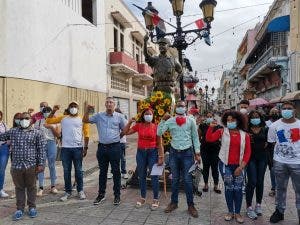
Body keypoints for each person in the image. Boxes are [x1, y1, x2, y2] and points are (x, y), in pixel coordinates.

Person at [206, 110, 251, 223]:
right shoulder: (222, 132)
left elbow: (247, 153)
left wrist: (241, 167)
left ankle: (238, 212)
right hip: (225, 165)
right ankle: (230, 211)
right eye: (228, 120)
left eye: (233, 120)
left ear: (238, 121)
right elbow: (209, 139)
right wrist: (211, 128)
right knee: (229, 187)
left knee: (238, 189)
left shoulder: (245, 135)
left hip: (240, 166)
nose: (230, 122)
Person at [157, 100, 201, 218]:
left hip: (187, 153)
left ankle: (190, 205)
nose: (181, 107)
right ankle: (174, 203)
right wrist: (162, 120)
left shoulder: (191, 120)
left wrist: (197, 153)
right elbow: (159, 132)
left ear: (185, 108)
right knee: (175, 179)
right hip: (174, 153)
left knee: (187, 180)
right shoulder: (170, 121)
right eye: (179, 106)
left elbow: (195, 137)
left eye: (182, 106)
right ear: (175, 108)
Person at [0, 112, 46, 221]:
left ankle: (32, 207)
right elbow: (1, 136)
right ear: (19, 120)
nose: (24, 120)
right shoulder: (13, 131)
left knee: (31, 187)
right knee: (19, 188)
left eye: (26, 118)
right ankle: (19, 209)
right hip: (16, 166)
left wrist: (41, 164)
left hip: (31, 165)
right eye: (21, 118)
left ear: (30, 119)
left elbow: (41, 150)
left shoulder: (37, 133)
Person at [83, 97, 125, 205]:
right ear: (105, 104)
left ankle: (117, 195)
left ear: (114, 105)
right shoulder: (99, 116)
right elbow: (85, 120)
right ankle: (101, 195)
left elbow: (125, 130)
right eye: (107, 102)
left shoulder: (119, 117)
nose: (109, 104)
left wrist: (116, 138)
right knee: (102, 172)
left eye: (111, 102)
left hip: (115, 148)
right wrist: (87, 111)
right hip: (102, 148)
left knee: (116, 172)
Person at [46, 101, 89, 202]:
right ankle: (68, 192)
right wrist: (54, 110)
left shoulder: (82, 119)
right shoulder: (63, 118)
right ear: (68, 108)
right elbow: (48, 121)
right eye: (71, 106)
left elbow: (86, 134)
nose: (73, 108)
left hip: (78, 149)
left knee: (78, 170)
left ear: (78, 108)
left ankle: (80, 190)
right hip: (65, 149)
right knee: (66, 171)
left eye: (75, 106)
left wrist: (85, 147)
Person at [123, 108, 164, 210]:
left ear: (153, 116)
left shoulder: (156, 127)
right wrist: (129, 122)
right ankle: (142, 197)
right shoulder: (139, 125)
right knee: (141, 176)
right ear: (143, 115)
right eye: (146, 114)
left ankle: (155, 199)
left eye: (150, 114)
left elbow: (160, 144)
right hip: (141, 153)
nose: (148, 115)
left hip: (153, 153)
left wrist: (161, 157)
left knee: (154, 176)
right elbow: (125, 132)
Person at [268, 101, 300, 224]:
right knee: (280, 188)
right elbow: (271, 143)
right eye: (284, 108)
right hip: (280, 162)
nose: (286, 110)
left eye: (289, 108)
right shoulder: (274, 126)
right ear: (281, 111)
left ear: (294, 110)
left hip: (298, 162)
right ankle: (279, 211)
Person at [245, 110, 268, 220]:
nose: (255, 118)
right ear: (250, 119)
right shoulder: (246, 130)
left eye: (257, 116)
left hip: (263, 158)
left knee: (260, 181)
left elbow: (270, 142)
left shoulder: (265, 129)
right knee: (252, 181)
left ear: (260, 118)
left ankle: (258, 204)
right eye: (253, 116)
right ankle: (249, 206)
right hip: (251, 159)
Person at [35, 106, 61, 196]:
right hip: (41, 144)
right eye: (45, 111)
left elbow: (58, 135)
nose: (46, 113)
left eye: (48, 111)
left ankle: (53, 186)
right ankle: (41, 187)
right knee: (41, 165)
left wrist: (51, 127)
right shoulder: (38, 122)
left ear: (51, 112)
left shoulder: (56, 121)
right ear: (42, 112)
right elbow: (35, 134)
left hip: (51, 143)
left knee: (52, 165)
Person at [198, 112, 221, 194]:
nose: (209, 118)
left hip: (215, 150)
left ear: (213, 117)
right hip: (205, 149)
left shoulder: (218, 127)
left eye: (211, 116)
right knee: (206, 167)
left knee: (215, 168)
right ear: (205, 118)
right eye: (208, 116)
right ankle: (206, 184)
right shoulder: (202, 126)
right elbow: (199, 136)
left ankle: (216, 185)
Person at [266, 107, 280, 197]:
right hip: (270, 149)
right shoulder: (266, 124)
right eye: (273, 112)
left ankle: (280, 187)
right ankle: (273, 188)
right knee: (272, 170)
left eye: (276, 112)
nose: (274, 113)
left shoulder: (281, 123)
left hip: (280, 150)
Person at [114, 108, 128, 179]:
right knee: (113, 158)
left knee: (122, 158)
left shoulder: (123, 119)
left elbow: (127, 129)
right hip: (114, 142)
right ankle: (113, 172)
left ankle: (123, 172)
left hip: (121, 142)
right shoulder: (112, 119)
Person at [0, 111, 9, 198]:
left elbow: (9, 135)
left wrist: (7, 143)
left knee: (1, 170)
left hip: (3, 148)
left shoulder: (4, 125)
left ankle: (1, 189)